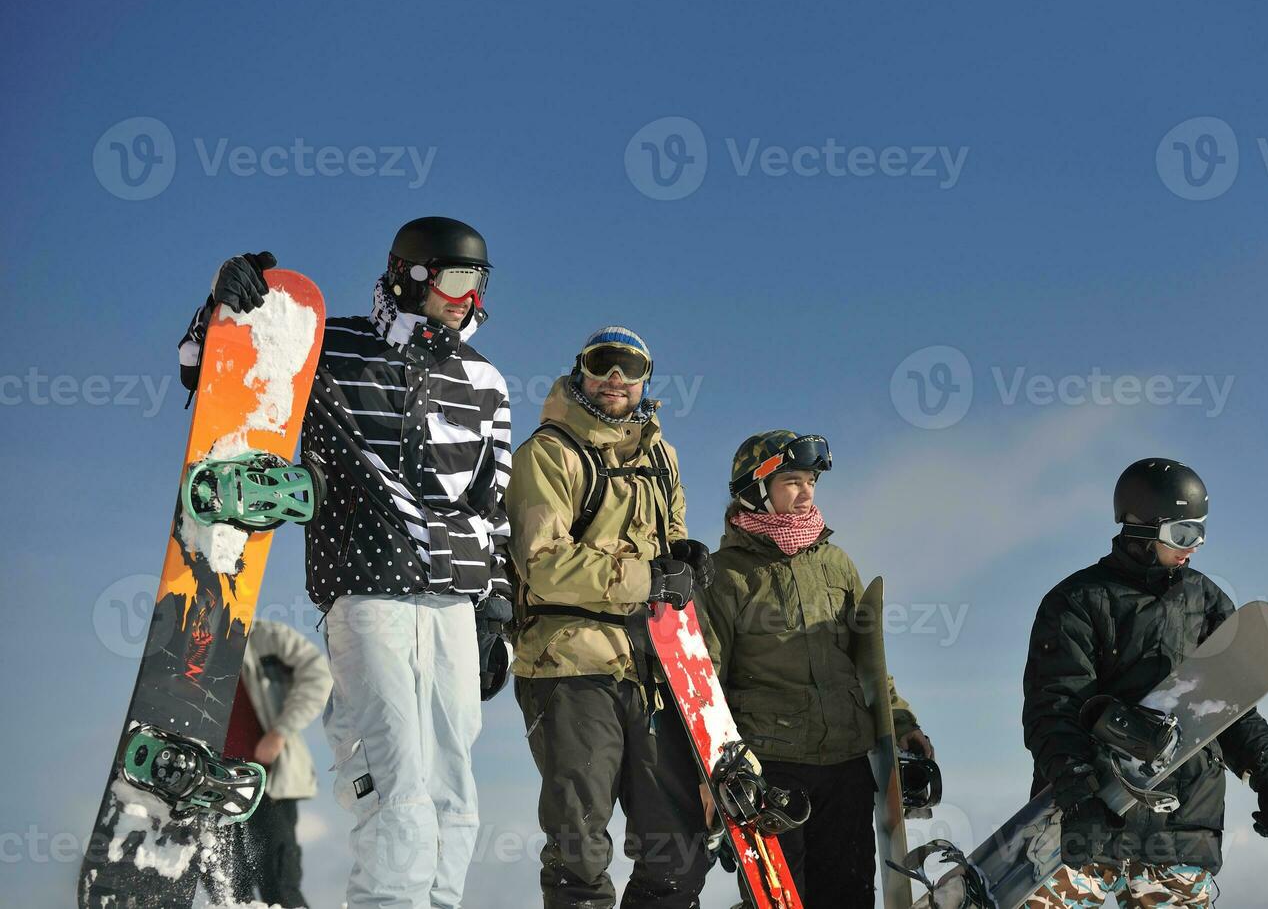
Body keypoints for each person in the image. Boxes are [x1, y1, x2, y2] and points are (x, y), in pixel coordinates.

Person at [178, 216, 515, 908]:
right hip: (370, 589)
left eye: (478, 282)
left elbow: (493, 507)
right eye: (456, 278)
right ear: (412, 273)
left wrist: (496, 609)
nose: (468, 297)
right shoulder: (329, 347)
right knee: (396, 790)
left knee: (455, 797)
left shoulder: (485, 381)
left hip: (455, 601)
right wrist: (226, 305)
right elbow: (207, 367)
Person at [1021, 458, 1268, 909]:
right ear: (1142, 528)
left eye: (1201, 533)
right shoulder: (1075, 602)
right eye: (1183, 534)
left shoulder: (1207, 601)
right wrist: (1078, 796)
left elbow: (1229, 707)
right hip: (1092, 823)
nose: (1194, 548)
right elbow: (1054, 709)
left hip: (1182, 833)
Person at [505, 326, 711, 909]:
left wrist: (685, 563)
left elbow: (669, 544)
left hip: (651, 665)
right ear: (582, 370)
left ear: (646, 378)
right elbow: (541, 562)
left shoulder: (661, 458)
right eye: (603, 364)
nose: (616, 379)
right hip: (568, 662)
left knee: (675, 844)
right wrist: (647, 578)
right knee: (580, 842)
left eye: (630, 367)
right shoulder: (550, 452)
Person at [698, 430, 934, 909]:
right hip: (771, 770)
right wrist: (708, 774)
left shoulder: (835, 564)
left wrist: (902, 723)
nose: (806, 492)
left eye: (810, 481)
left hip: (846, 765)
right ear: (754, 489)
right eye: (791, 481)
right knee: (781, 900)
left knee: (847, 896)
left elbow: (869, 662)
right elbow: (707, 679)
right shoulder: (725, 574)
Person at [210, 619, 333, 908]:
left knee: (278, 884)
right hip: (212, 789)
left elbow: (318, 674)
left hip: (267, 784)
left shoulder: (265, 637)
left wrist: (280, 731)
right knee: (227, 890)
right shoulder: (192, 651)